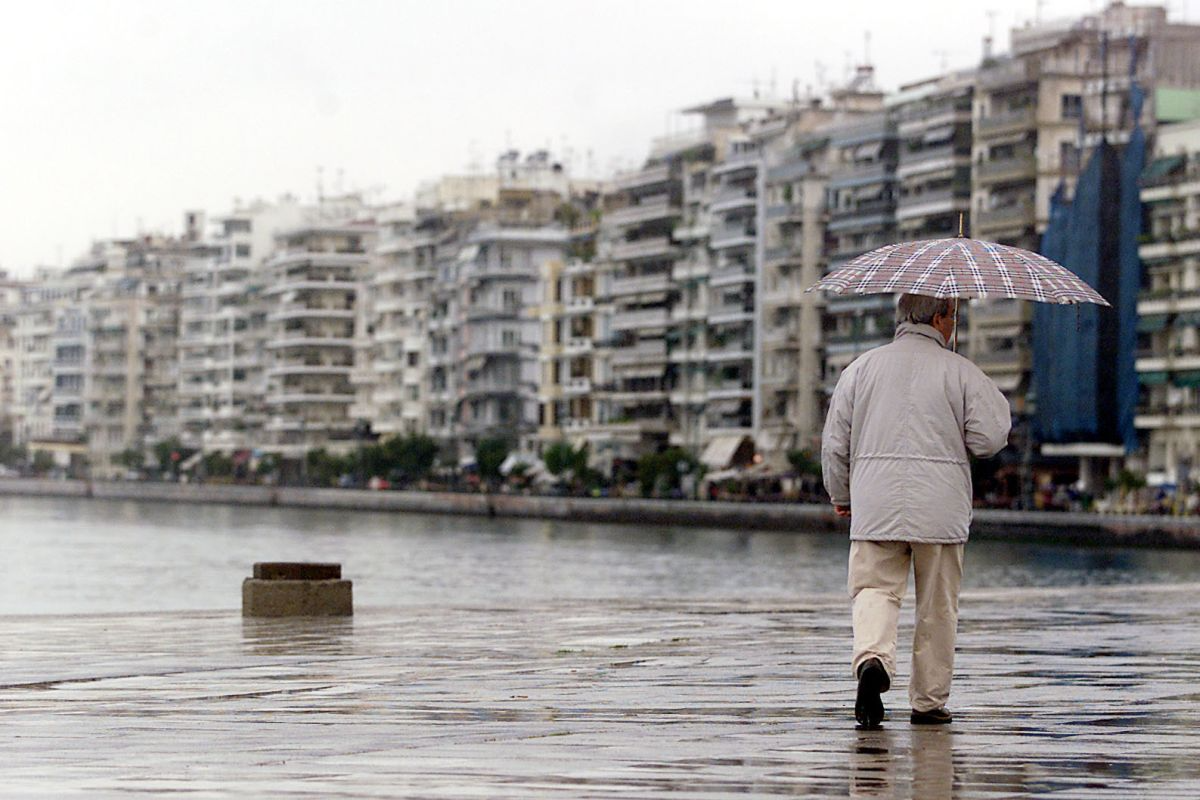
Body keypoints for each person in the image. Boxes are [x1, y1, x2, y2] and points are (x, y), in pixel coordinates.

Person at [821, 293, 1011, 729]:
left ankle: (872, 660)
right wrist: (973, 388)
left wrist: (842, 494)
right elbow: (990, 438)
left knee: (874, 590)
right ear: (942, 318)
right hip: (940, 508)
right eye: (953, 315)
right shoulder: (960, 371)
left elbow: (835, 443)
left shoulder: (860, 370)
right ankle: (928, 702)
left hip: (875, 503)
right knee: (937, 606)